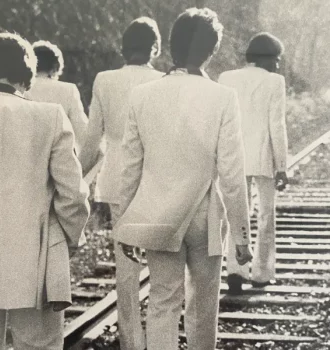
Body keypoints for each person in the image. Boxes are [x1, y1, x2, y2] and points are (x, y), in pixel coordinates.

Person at [113, 8, 253, 350]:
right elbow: (232, 173)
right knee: (203, 308)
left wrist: (124, 224)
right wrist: (242, 234)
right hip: (205, 216)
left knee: (163, 302)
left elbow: (130, 168)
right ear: (212, 49)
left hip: (158, 216)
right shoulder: (222, 97)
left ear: (171, 44)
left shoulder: (142, 95)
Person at [0, 32, 90, 350]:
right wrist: (71, 239)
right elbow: (73, 194)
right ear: (25, 74)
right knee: (39, 345)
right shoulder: (50, 116)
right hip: (37, 262)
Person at [78, 17, 163, 350]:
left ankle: (132, 341)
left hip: (116, 181)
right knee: (159, 263)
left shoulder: (105, 80)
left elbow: (92, 140)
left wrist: (76, 179)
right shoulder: (163, 80)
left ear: (123, 48)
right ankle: (160, 334)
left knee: (126, 269)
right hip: (155, 181)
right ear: (155, 48)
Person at [218, 32, 288, 294]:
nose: (278, 65)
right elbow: (276, 126)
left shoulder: (227, 78)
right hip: (263, 158)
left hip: (233, 156)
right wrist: (282, 165)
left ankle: (235, 271)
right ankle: (261, 273)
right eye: (276, 59)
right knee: (266, 215)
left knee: (235, 213)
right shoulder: (274, 81)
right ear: (266, 59)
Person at [25, 40, 88, 155]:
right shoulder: (69, 90)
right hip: (60, 158)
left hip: (28, 157)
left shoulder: (22, 89)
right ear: (55, 67)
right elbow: (82, 132)